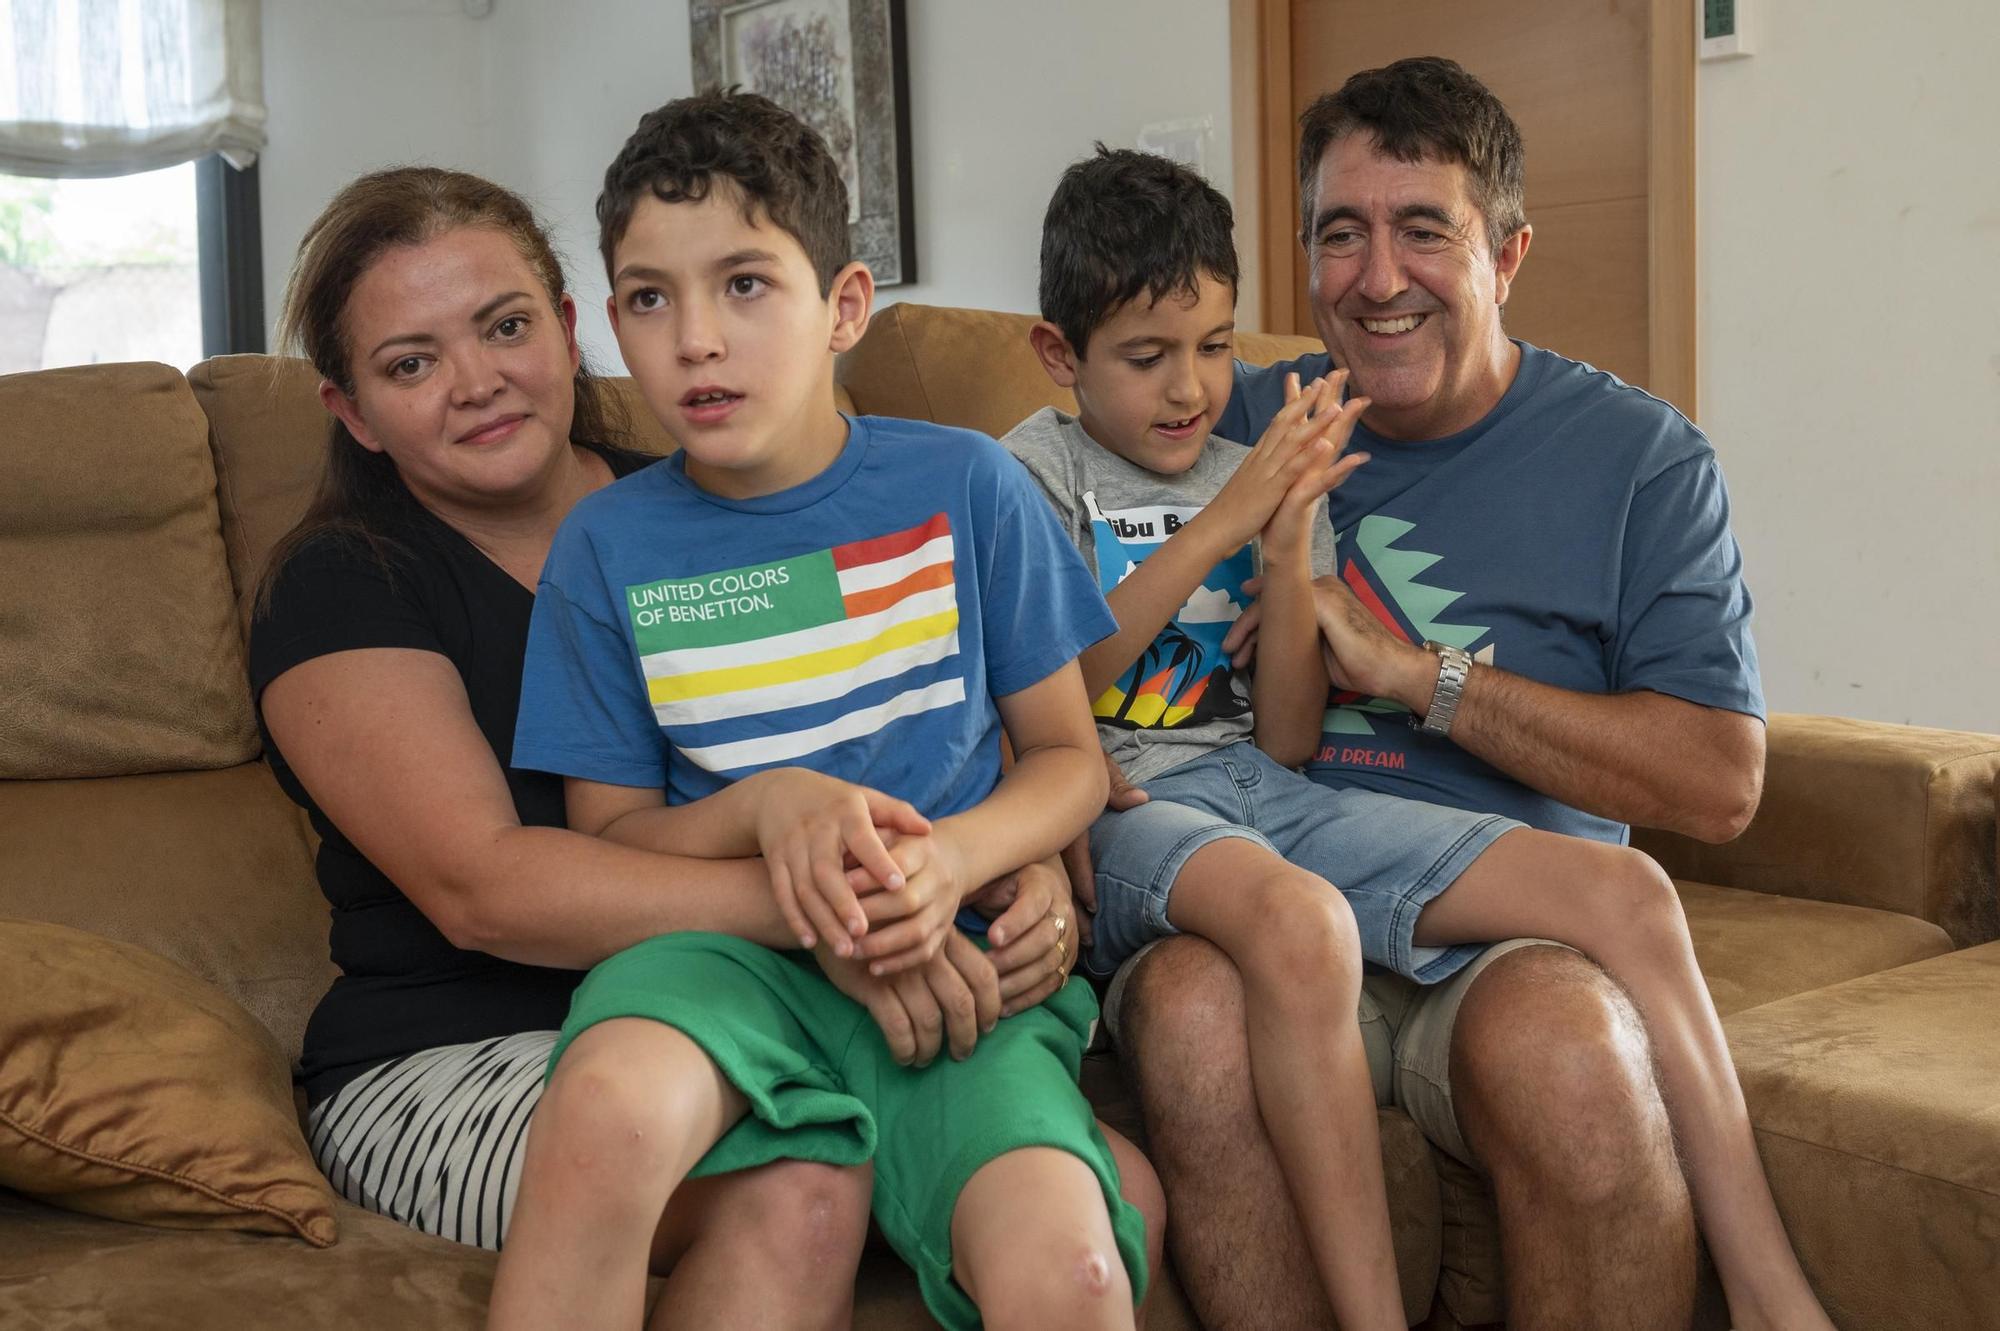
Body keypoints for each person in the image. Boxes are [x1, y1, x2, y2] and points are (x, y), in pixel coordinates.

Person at [249, 166, 1111, 1329]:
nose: (477, 382)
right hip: (453, 1051)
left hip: (770, 1003)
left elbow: (971, 740)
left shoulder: (705, 503)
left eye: (505, 327)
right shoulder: (340, 585)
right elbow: (483, 889)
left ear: (564, 330)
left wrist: (1018, 872)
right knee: (800, 1178)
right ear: (351, 409)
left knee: (1088, 1204)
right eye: (410, 362)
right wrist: (852, 915)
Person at [1103, 58, 1837, 1331]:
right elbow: (1037, 542)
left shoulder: (1638, 461)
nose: (1376, 278)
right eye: (1341, 233)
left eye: (1421, 230)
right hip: (1244, 900)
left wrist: (1415, 676)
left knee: (1569, 1051)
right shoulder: (1229, 422)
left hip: (1500, 934)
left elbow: (1716, 784)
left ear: (1506, 256)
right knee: (1184, 1014)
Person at [492, 91, 1154, 1331]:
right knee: (607, 1111)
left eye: (743, 284)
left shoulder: (967, 484)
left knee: (1068, 1274)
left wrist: (951, 859)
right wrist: (764, 806)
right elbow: (616, 838)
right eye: (649, 297)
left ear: (845, 305)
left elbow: (1069, 758)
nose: (693, 339)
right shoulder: (604, 547)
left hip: (960, 967)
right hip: (721, 970)